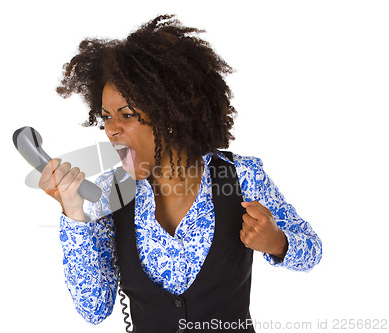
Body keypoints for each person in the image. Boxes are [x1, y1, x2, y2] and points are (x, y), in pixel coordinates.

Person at [38, 14, 322, 333]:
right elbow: (94, 308)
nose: (110, 130)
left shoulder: (240, 176)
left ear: (169, 114)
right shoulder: (111, 192)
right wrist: (74, 214)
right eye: (105, 117)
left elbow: (312, 251)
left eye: (126, 115)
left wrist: (277, 242)